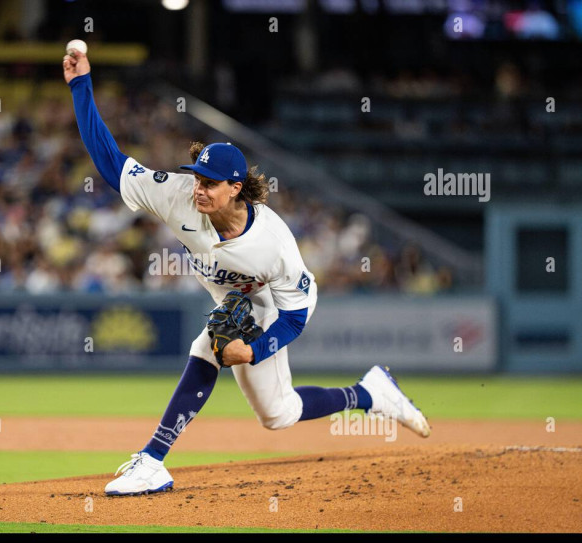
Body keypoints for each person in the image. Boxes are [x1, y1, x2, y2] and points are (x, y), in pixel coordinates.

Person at [63, 49, 431, 496]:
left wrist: (253, 351)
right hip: (233, 300)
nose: (198, 189)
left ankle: (153, 461)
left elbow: (294, 317)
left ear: (236, 188)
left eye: (210, 183)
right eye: (197, 178)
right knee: (278, 414)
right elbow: (110, 161)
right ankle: (370, 393)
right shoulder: (178, 195)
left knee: (207, 346)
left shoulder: (273, 244)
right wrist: (80, 86)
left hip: (275, 303)